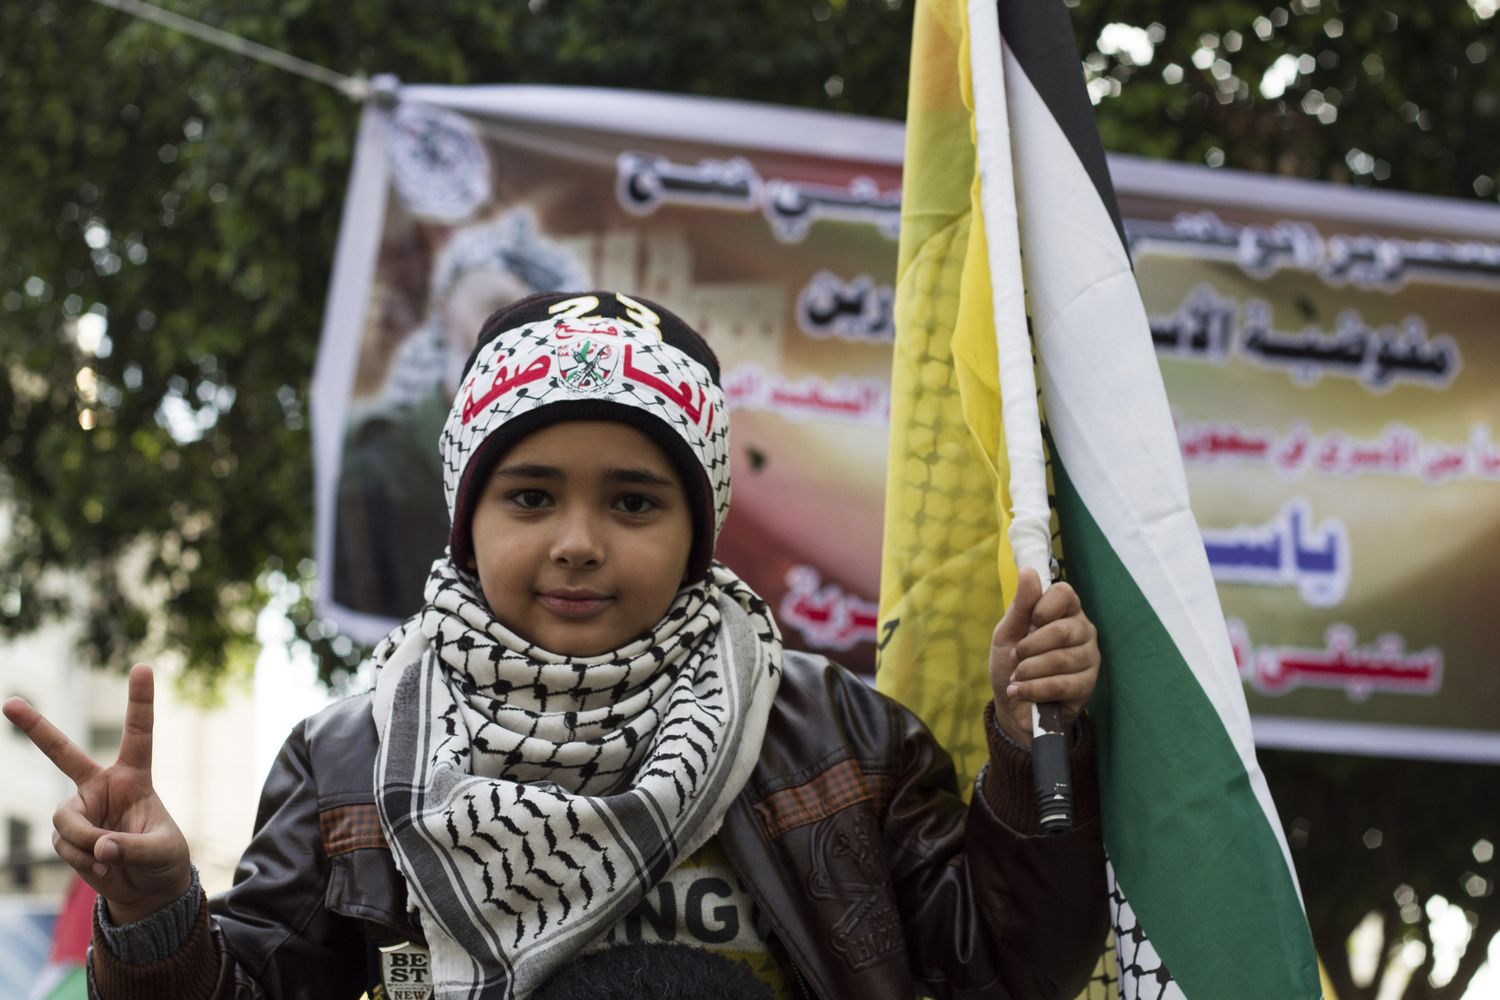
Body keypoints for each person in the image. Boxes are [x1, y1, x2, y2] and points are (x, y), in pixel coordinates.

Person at [4, 291, 1108, 1000]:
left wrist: (1030, 744)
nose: (577, 544)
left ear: (698, 532)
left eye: (633, 503)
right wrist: (153, 911)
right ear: (468, 519)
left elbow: (1013, 966)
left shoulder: (836, 734)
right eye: (530, 495)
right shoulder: (350, 760)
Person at [334, 208, 588, 618]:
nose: (516, 336)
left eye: (537, 322)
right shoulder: (380, 461)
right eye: (497, 308)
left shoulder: (579, 466)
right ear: (448, 308)